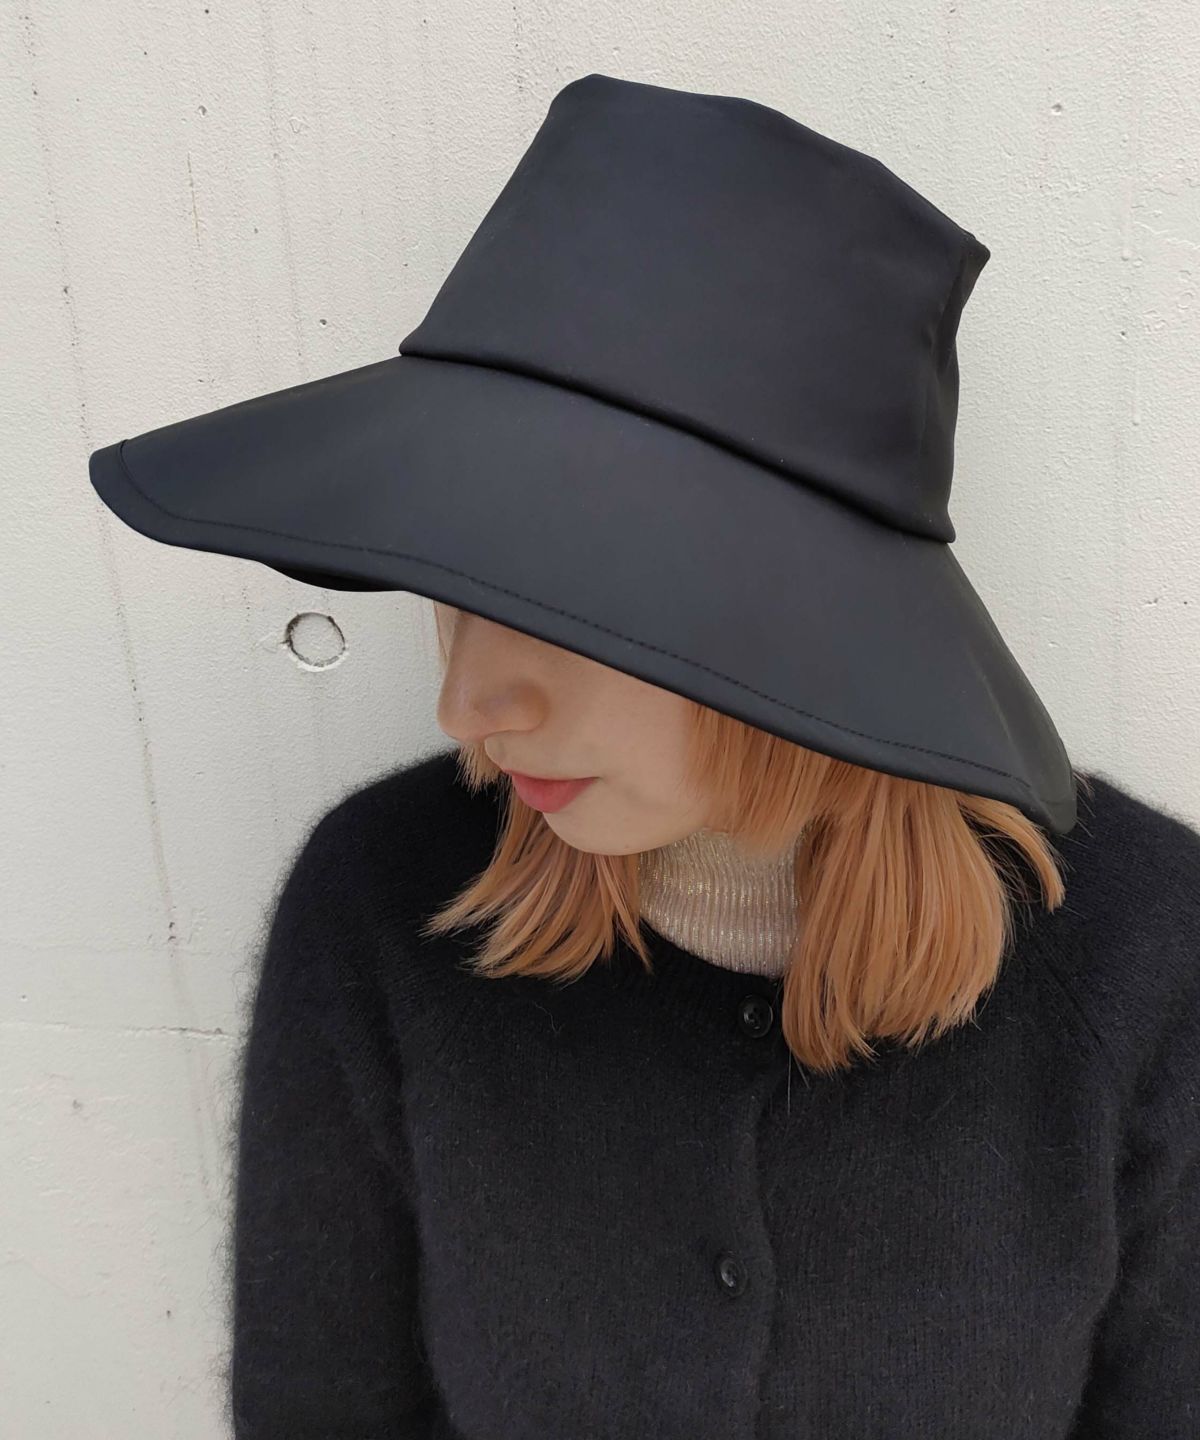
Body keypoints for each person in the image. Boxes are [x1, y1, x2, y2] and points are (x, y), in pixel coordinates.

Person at [85, 74, 1199, 1436]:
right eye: (452, 584)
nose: (468, 705)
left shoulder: (1146, 961)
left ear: (805, 617)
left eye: (566, 605)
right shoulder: (385, 908)